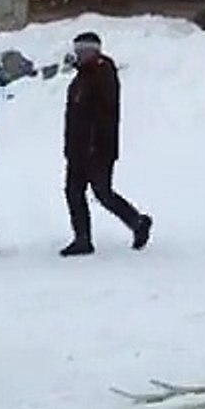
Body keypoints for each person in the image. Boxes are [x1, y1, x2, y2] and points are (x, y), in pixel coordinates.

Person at [59, 31, 152, 256]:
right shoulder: (82, 78)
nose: (78, 56)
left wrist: (94, 144)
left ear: (93, 51)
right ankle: (82, 238)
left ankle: (137, 222)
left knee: (102, 192)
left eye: (82, 51)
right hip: (78, 148)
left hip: (97, 148)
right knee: (74, 191)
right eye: (76, 51)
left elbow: (104, 114)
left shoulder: (102, 75)